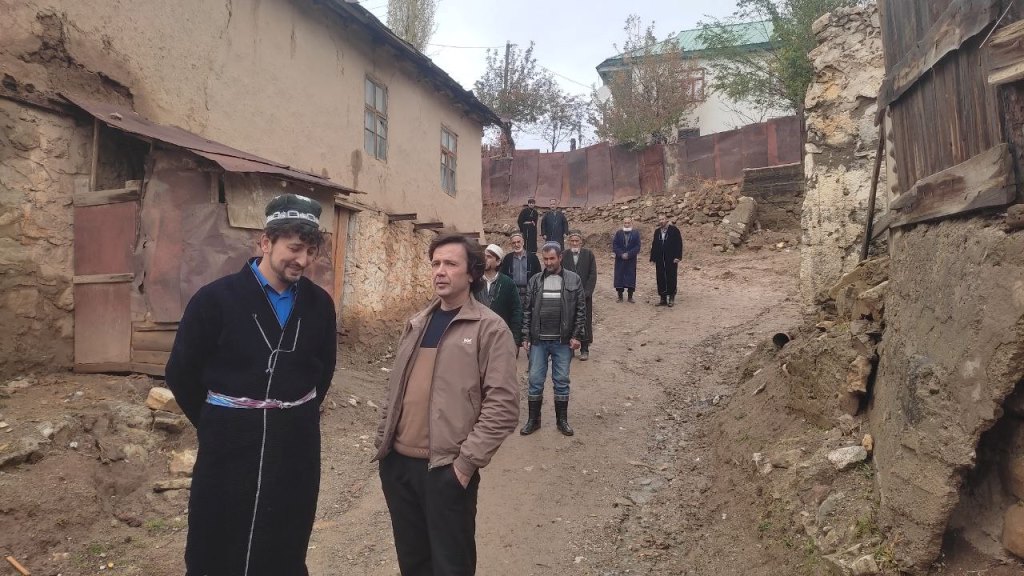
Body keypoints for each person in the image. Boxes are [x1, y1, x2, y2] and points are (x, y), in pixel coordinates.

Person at [165, 193, 337, 576]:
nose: (302, 260)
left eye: (310, 251)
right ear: (266, 242)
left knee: (286, 533)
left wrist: (293, 414)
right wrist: (218, 421)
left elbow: (323, 370)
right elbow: (181, 372)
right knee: (218, 535)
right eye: (294, 248)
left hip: (295, 442)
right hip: (228, 441)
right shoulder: (215, 300)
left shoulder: (319, 305)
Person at [373, 234, 519, 576]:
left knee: (451, 566)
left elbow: (503, 406)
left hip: (445, 470)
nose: (440, 271)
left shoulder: (490, 328)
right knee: (413, 563)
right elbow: (395, 389)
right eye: (435, 263)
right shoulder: (417, 323)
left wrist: (464, 465)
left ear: (472, 273)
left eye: (451, 264)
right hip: (398, 466)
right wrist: (383, 443)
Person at [521, 242, 587, 437]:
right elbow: (527, 310)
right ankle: (533, 421)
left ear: (560, 258)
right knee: (535, 380)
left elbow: (581, 310)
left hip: (562, 341)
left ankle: (562, 421)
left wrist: (576, 336)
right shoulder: (535, 280)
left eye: (552, 258)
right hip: (538, 341)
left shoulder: (574, 279)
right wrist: (525, 335)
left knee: (561, 380)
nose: (548, 263)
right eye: (545, 259)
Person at [475, 243, 523, 348]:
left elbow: (516, 311)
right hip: (477, 336)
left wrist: (515, 340)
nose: (485, 259)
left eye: (489, 257)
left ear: (498, 262)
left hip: (500, 337)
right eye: (484, 256)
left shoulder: (507, 283)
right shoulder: (475, 281)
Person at [562, 230, 597, 360]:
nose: (574, 243)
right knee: (568, 321)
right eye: (572, 241)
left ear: (581, 241)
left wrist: (587, 292)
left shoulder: (588, 255)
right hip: (568, 295)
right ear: (569, 242)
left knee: (584, 321)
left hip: (585, 296)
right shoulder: (564, 255)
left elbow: (592, 275)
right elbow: (560, 274)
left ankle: (585, 348)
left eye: (577, 241)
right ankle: (569, 349)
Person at [499, 232, 541, 311]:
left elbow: (539, 276)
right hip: (513, 293)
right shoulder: (507, 258)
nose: (516, 244)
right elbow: (503, 276)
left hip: (529, 293)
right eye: (514, 243)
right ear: (511, 244)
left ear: (523, 242)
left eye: (518, 242)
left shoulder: (533, 258)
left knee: (528, 313)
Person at [650, 213, 684, 307]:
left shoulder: (674, 230)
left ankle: (671, 297)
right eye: (660, 219)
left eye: (663, 219)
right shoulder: (657, 231)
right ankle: (663, 298)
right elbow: (654, 244)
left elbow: (679, 244)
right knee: (660, 277)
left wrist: (678, 256)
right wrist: (653, 257)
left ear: (666, 220)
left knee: (671, 277)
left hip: (671, 258)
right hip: (660, 259)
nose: (661, 221)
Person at [612, 216, 642, 303]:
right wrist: (621, 254)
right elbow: (615, 245)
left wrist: (629, 254)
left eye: (628, 223)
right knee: (619, 276)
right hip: (620, 259)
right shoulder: (618, 233)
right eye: (625, 223)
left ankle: (630, 297)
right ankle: (620, 297)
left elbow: (637, 246)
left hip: (631, 259)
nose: (627, 224)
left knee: (631, 277)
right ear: (623, 223)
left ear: (631, 223)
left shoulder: (636, 233)